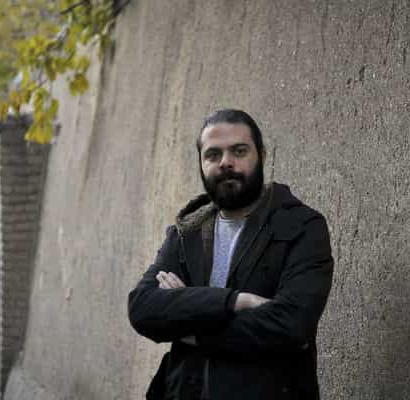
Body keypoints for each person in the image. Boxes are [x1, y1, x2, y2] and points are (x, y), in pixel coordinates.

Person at [128, 109, 333, 400]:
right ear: (201, 164)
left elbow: (291, 325)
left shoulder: (301, 227)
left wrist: (189, 321)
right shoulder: (186, 233)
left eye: (239, 151)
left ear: (262, 155)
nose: (226, 162)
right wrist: (236, 301)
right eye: (213, 155)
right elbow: (143, 308)